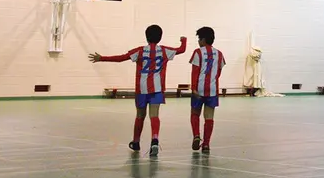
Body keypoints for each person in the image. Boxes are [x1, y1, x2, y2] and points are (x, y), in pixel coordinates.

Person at [89, 25, 187, 156]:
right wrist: (183, 40)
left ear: (146, 37)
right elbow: (182, 50)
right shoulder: (164, 51)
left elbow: (121, 58)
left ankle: (136, 142)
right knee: (154, 115)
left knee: (140, 116)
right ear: (160, 37)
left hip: (141, 89)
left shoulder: (140, 51)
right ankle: (155, 140)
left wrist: (102, 58)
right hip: (157, 89)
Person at [189, 27, 225, 154]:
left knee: (195, 113)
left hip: (199, 88)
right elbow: (219, 72)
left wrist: (193, 88)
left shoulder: (198, 53)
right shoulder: (219, 54)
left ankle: (196, 136)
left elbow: (195, 72)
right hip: (212, 89)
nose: (198, 41)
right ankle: (206, 144)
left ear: (203, 40)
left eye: (199, 39)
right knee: (209, 117)